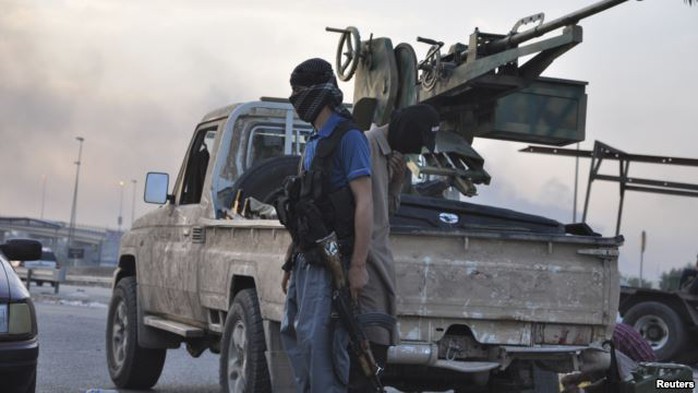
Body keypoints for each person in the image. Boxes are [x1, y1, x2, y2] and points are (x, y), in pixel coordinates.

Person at [279, 57, 373, 393]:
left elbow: (365, 203)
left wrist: (358, 266)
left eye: (300, 93)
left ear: (319, 93)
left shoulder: (349, 139)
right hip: (308, 258)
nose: (295, 100)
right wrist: (290, 261)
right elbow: (304, 209)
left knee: (320, 343)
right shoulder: (313, 142)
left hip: (333, 259)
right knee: (294, 334)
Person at [348, 104, 440, 392]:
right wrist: (357, 265)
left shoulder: (394, 156)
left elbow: (384, 212)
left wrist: (396, 184)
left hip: (380, 262)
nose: (416, 150)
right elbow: (354, 208)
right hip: (365, 263)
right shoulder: (364, 145)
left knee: (379, 347)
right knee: (368, 346)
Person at [561, 321, 657, 393]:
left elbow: (612, 380)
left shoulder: (609, 339)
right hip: (637, 375)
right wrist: (578, 378)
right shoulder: (604, 332)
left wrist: (582, 391)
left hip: (646, 380)